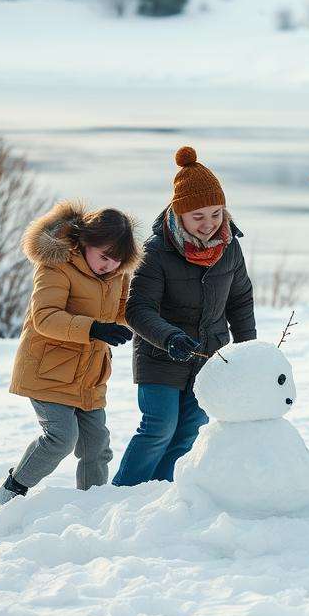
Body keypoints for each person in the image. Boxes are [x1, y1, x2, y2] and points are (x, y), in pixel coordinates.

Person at [113, 146, 256, 486]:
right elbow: (136, 309)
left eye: (216, 214)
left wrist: (249, 351)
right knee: (159, 428)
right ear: (180, 214)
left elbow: (240, 300)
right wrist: (169, 337)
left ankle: (160, 494)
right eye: (199, 217)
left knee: (189, 431)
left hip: (210, 356)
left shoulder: (230, 247)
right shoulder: (157, 250)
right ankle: (122, 494)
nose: (210, 224)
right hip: (160, 355)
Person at [0, 202, 139, 510]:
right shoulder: (57, 266)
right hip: (47, 369)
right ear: (86, 242)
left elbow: (124, 312)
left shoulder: (117, 275)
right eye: (104, 256)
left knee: (96, 446)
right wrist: (94, 328)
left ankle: (90, 507)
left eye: (117, 260)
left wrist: (153, 319)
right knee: (61, 438)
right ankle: (9, 493)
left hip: (89, 375)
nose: (109, 265)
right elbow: (44, 317)